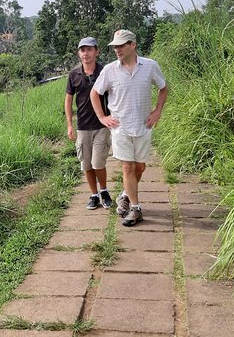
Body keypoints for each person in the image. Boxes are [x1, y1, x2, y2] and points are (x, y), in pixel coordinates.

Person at [90, 29, 168, 226]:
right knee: (127, 167)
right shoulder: (110, 70)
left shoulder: (150, 66)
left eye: (121, 45)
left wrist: (157, 111)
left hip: (143, 125)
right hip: (120, 126)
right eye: (115, 46)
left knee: (139, 167)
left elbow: (163, 88)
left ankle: (125, 195)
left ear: (133, 45)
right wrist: (102, 117)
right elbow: (95, 93)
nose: (117, 49)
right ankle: (135, 209)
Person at [65, 36, 112, 210]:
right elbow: (68, 100)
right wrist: (70, 124)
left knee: (98, 162)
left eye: (89, 49)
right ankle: (94, 194)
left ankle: (104, 190)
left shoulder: (105, 72)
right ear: (79, 53)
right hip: (83, 126)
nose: (86, 53)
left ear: (97, 52)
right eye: (82, 50)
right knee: (86, 164)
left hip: (101, 125)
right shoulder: (74, 74)